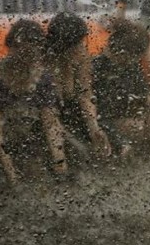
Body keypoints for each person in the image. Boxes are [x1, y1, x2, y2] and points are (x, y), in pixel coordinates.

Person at [0, 19, 68, 186]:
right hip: (5, 137)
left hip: (32, 135)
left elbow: (50, 123)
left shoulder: (43, 78)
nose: (28, 57)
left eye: (34, 52)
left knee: (39, 174)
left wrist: (60, 163)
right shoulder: (0, 77)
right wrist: (10, 172)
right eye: (23, 51)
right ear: (11, 47)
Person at [45, 12, 112, 158]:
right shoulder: (45, 64)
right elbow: (47, 110)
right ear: (64, 45)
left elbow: (86, 96)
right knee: (77, 150)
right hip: (45, 119)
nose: (82, 47)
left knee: (105, 138)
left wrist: (94, 128)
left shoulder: (81, 58)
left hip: (73, 113)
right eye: (78, 44)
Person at [91, 18, 150, 156]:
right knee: (140, 128)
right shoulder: (97, 69)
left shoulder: (132, 68)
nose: (137, 60)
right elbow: (97, 115)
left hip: (125, 116)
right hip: (104, 122)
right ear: (125, 54)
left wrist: (146, 105)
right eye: (135, 57)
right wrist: (120, 141)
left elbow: (142, 95)